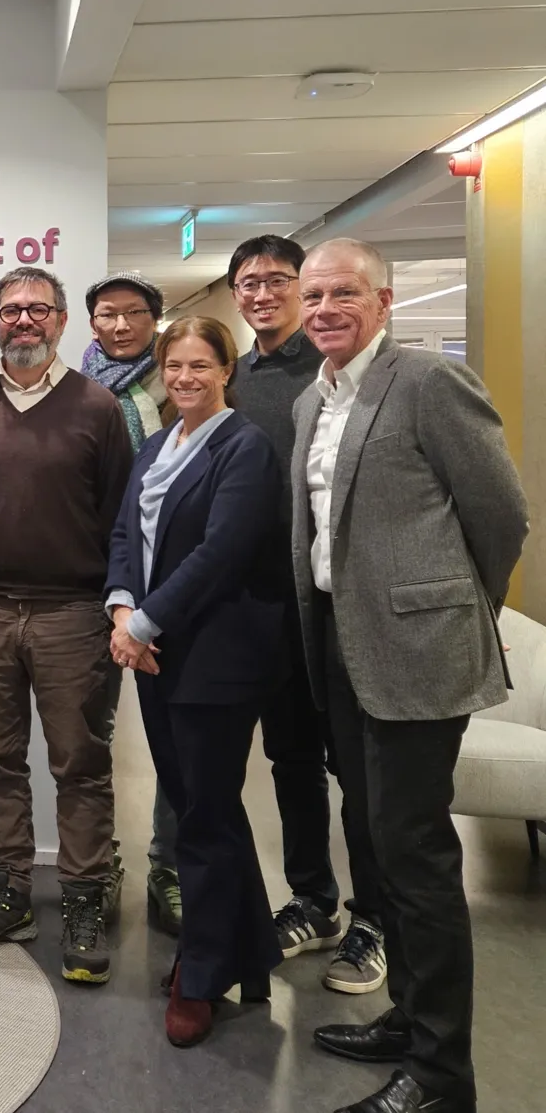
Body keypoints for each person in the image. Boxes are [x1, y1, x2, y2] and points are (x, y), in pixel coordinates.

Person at [295, 239, 526, 1113]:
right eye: (314, 294)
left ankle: (441, 1077)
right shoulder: (313, 404)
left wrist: (454, 610)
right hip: (342, 654)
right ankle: (408, 1016)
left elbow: (499, 513)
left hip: (417, 657)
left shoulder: (427, 383)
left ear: (383, 301)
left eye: (343, 292)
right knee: (382, 845)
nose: (324, 308)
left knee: (420, 859)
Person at [0, 266, 132, 985]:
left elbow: (119, 519)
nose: (23, 321)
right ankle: (8, 891)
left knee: (79, 764)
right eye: (11, 310)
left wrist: (115, 603)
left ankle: (82, 898)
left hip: (70, 611)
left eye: (37, 310)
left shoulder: (98, 406)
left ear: (59, 322)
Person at [104, 316, 285, 1047]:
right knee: (198, 804)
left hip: (214, 656)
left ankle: (201, 975)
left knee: (204, 817)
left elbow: (221, 554)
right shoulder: (156, 444)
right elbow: (125, 533)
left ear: (225, 369)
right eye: (174, 365)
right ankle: (250, 949)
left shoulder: (246, 447)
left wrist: (141, 624)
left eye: (199, 365)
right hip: (153, 652)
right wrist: (120, 604)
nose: (184, 377)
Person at [227, 234, 365, 992]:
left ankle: (374, 914)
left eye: (278, 280)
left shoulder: (335, 375)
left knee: (358, 768)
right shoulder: (231, 377)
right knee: (291, 762)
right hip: (259, 608)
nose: (261, 294)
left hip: (336, 610)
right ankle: (315, 898)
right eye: (247, 282)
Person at [80, 271, 182, 937]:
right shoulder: (75, 393)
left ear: (155, 318)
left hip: (174, 582)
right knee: (94, 736)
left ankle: (169, 869)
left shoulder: (180, 386)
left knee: (174, 737)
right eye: (108, 315)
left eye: (134, 313)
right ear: (90, 324)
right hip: (94, 584)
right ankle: (99, 863)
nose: (120, 326)